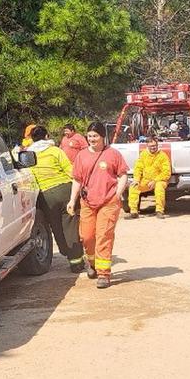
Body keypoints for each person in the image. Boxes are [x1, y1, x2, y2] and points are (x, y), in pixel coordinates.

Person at [68, 122, 129, 289]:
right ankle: (93, 264)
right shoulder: (81, 156)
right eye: (89, 136)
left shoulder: (113, 154)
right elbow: (77, 180)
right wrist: (72, 200)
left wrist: (118, 193)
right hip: (87, 202)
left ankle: (104, 273)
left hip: (108, 202)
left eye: (95, 136)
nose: (92, 139)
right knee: (87, 237)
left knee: (104, 235)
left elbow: (123, 175)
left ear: (102, 137)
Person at [26, 126, 84, 273]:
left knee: (56, 226)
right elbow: (70, 170)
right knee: (70, 225)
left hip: (46, 196)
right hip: (65, 190)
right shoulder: (55, 151)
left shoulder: (28, 155)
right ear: (46, 136)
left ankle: (65, 251)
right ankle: (76, 261)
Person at [129, 136, 171, 219]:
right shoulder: (143, 154)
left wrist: (155, 181)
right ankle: (133, 212)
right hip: (146, 180)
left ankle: (159, 211)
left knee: (159, 188)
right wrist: (136, 179)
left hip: (160, 180)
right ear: (147, 146)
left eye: (155, 145)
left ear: (157, 145)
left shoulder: (162, 156)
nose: (153, 147)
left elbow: (166, 172)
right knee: (133, 187)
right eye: (151, 146)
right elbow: (138, 168)